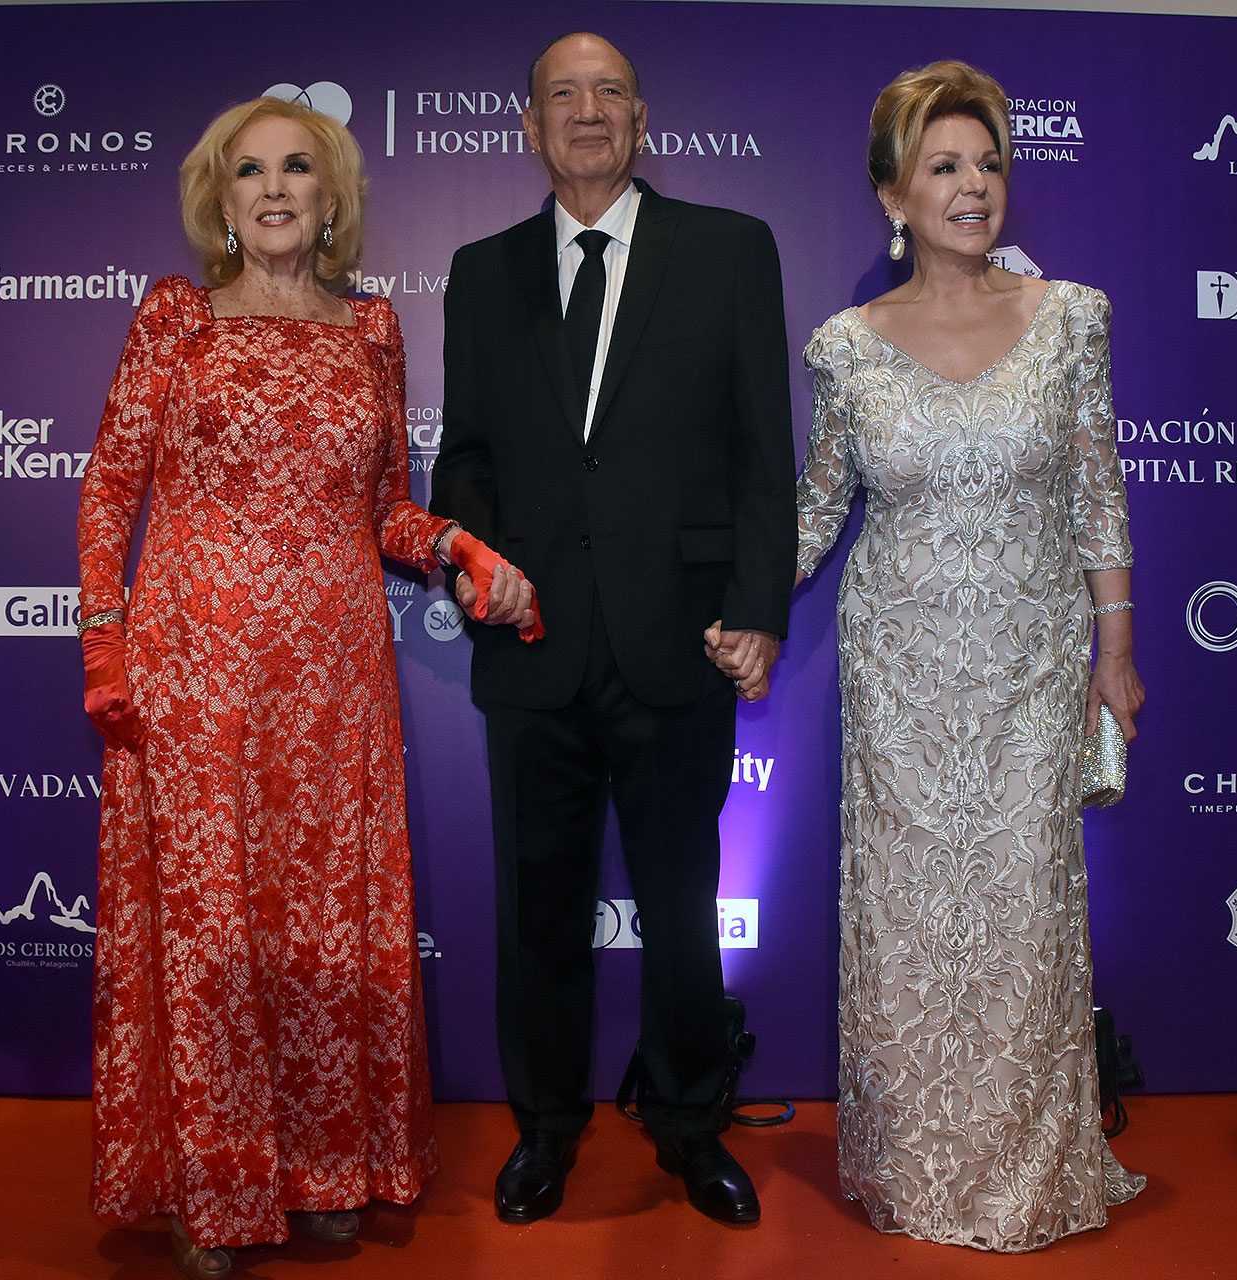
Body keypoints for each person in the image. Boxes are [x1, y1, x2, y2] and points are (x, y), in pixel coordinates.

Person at [76, 96, 531, 1279]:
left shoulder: (371, 329)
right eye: (248, 172)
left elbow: (386, 509)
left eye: (298, 169)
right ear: (217, 200)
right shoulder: (175, 320)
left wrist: (460, 550)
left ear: (333, 198)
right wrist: (104, 645)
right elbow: (108, 490)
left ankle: (326, 1168)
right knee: (215, 929)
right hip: (197, 670)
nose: (274, 189)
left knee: (327, 925)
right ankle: (216, 1185)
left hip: (334, 679)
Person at [430, 32, 795, 1227]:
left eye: (609, 93)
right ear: (527, 124)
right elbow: (466, 457)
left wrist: (755, 611)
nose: (586, 112)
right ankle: (546, 1130)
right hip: (530, 654)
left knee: (685, 907)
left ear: (642, 117)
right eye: (561, 95)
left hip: (677, 646)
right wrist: (481, 570)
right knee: (537, 913)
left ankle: (690, 1124)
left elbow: (760, 454)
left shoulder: (731, 251)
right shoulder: (480, 272)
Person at [793, 60, 1146, 1252]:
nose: (974, 184)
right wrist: (725, 597)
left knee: (1023, 914)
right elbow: (818, 508)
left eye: (988, 162)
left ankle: (1030, 1165)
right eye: (945, 165)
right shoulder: (843, 346)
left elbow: (1098, 492)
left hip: (1031, 670)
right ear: (893, 196)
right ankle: (916, 1163)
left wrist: (1119, 646)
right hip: (898, 676)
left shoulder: (1071, 318)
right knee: (905, 924)